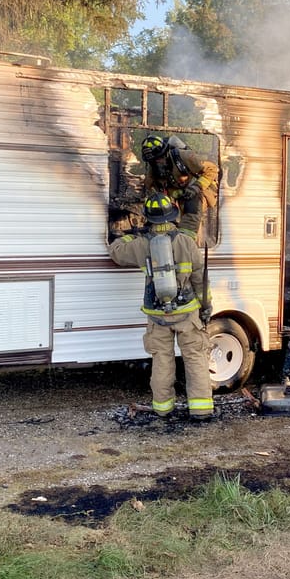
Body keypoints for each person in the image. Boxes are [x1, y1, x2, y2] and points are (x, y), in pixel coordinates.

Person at [109, 192, 214, 420]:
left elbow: (115, 252)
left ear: (148, 217)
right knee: (195, 357)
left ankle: (163, 408)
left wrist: (129, 236)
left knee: (162, 359)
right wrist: (206, 306)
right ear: (171, 215)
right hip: (187, 313)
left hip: (157, 315)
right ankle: (201, 408)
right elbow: (200, 279)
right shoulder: (186, 241)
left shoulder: (140, 244)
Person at [140, 134, 219, 244]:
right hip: (179, 196)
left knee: (192, 205)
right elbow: (149, 186)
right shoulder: (154, 169)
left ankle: (186, 241)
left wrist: (196, 187)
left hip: (200, 191)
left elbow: (212, 169)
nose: (159, 162)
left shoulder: (185, 157)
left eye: (160, 158)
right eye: (154, 161)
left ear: (166, 153)